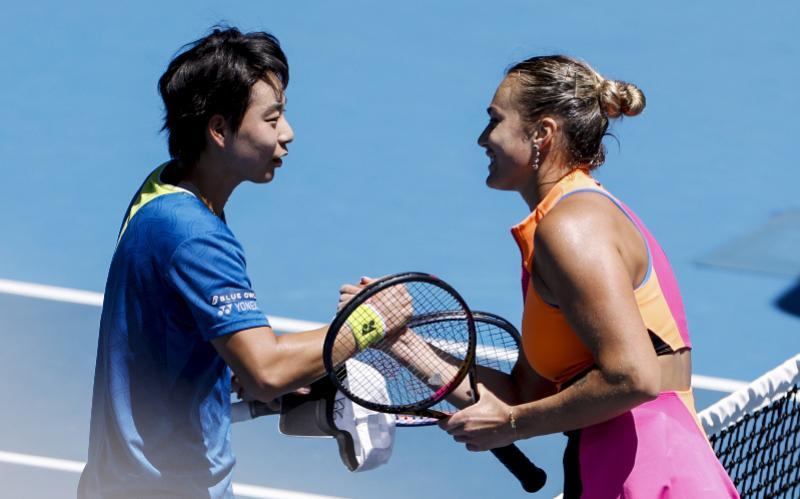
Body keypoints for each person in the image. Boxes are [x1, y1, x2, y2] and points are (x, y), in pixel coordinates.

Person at [437, 56, 739, 497]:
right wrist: (400, 341)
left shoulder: (572, 227)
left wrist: (512, 425)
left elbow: (633, 378)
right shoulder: (565, 223)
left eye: (495, 120)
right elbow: (523, 393)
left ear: (542, 133)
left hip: (644, 473)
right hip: (625, 465)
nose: (483, 138)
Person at [78, 27, 346, 497]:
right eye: (272, 118)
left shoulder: (163, 189)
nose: (287, 133)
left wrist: (231, 372)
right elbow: (266, 372)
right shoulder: (195, 236)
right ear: (219, 130)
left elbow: (174, 332)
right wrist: (368, 322)